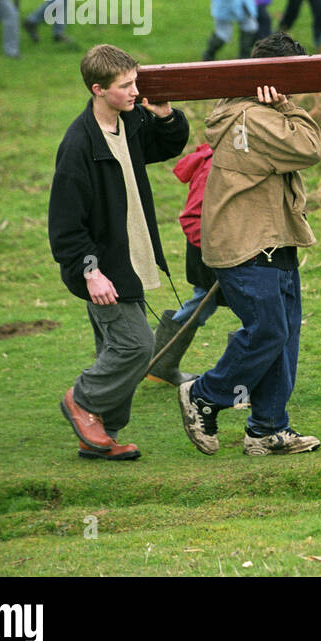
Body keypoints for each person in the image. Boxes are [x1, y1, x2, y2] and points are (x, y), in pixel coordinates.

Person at [178, 32, 321, 457]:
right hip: (249, 244)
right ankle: (205, 394)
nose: (296, 88)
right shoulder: (252, 118)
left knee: (283, 335)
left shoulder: (252, 110)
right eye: (291, 78)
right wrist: (285, 105)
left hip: (272, 239)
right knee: (269, 331)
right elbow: (309, 148)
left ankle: (267, 428)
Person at [51, 44, 190, 460]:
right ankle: (82, 401)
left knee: (114, 348)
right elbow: (64, 223)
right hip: (104, 268)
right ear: (98, 89)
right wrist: (90, 272)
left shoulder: (129, 122)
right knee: (136, 347)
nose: (135, 91)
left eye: (135, 82)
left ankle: (102, 435)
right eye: (125, 85)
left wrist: (164, 113)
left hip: (132, 258)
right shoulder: (78, 145)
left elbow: (167, 146)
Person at [148, 142, 218, 387]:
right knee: (211, 302)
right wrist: (217, 253)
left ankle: (161, 363)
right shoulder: (214, 167)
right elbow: (192, 218)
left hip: (221, 249)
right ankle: (240, 379)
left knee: (204, 303)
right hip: (210, 252)